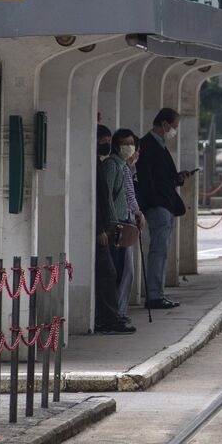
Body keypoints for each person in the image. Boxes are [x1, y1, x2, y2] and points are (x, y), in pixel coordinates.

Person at [136, 108, 191, 311]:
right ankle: (155, 296)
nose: (174, 131)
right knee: (158, 251)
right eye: (174, 127)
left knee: (162, 251)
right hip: (158, 205)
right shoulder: (148, 145)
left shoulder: (161, 145)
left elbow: (162, 177)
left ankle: (157, 293)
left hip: (165, 203)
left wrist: (177, 178)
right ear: (164, 124)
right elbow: (147, 180)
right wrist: (155, 202)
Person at [93, 126, 133, 334]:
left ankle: (112, 315)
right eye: (103, 140)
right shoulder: (108, 165)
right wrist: (106, 225)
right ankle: (107, 318)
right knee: (109, 272)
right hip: (108, 225)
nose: (105, 144)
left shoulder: (103, 164)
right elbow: (103, 199)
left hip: (112, 223)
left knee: (117, 270)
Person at [112, 129, 144, 314]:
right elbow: (127, 196)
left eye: (132, 145)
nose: (130, 148)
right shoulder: (117, 166)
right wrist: (138, 212)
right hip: (121, 223)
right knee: (124, 270)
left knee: (127, 270)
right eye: (127, 144)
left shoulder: (126, 168)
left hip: (127, 221)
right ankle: (119, 312)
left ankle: (120, 311)